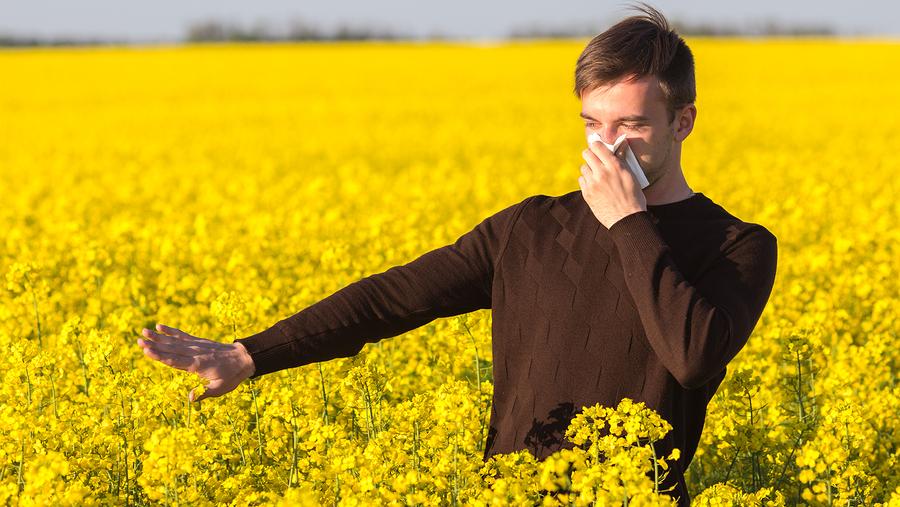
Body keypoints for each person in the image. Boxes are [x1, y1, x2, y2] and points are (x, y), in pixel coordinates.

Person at [136, 3, 778, 505]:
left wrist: (629, 223)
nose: (606, 148)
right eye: (592, 125)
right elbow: (393, 298)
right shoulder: (530, 229)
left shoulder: (735, 247)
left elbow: (693, 359)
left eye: (630, 126)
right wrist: (252, 353)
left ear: (683, 121)